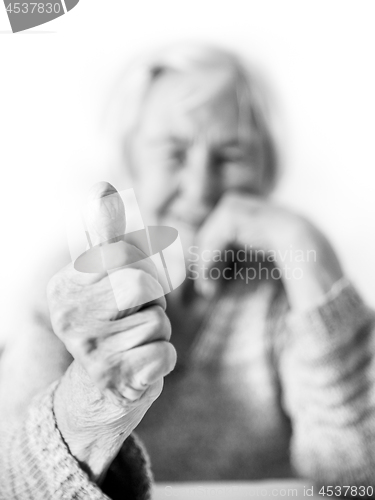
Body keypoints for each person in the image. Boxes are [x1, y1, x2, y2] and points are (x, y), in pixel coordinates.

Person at [1, 43, 375, 499]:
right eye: (173, 153)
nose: (200, 188)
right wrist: (93, 401)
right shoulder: (67, 290)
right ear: (128, 162)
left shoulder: (284, 291)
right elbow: (12, 483)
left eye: (231, 155)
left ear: (266, 169)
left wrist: (306, 246)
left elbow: (355, 483)